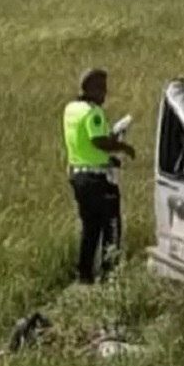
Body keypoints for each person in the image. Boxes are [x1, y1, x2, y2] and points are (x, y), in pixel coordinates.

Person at [62, 68, 136, 284]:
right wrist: (122, 146)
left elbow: (85, 144)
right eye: (102, 89)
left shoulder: (71, 109)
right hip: (97, 180)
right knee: (111, 226)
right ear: (91, 89)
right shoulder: (93, 112)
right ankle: (109, 276)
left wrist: (108, 158)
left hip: (78, 174)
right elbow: (99, 141)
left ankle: (84, 276)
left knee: (90, 228)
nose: (105, 93)